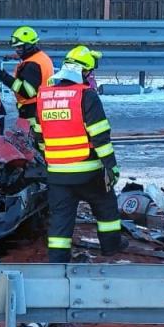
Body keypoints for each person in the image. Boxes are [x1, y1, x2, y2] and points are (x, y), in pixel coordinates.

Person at [35, 46, 124, 262]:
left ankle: (58, 259)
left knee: (60, 219)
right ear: (83, 72)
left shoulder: (44, 96)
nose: (91, 78)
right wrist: (111, 167)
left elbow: (39, 136)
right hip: (89, 172)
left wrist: (53, 161)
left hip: (57, 174)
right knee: (106, 208)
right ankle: (111, 247)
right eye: (90, 73)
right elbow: (100, 137)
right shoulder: (86, 96)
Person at [0, 26, 54, 138]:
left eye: (20, 48)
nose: (17, 50)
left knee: (32, 143)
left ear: (28, 46)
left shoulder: (31, 66)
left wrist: (3, 77)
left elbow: (27, 92)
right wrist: (15, 57)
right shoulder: (41, 57)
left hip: (32, 111)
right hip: (42, 106)